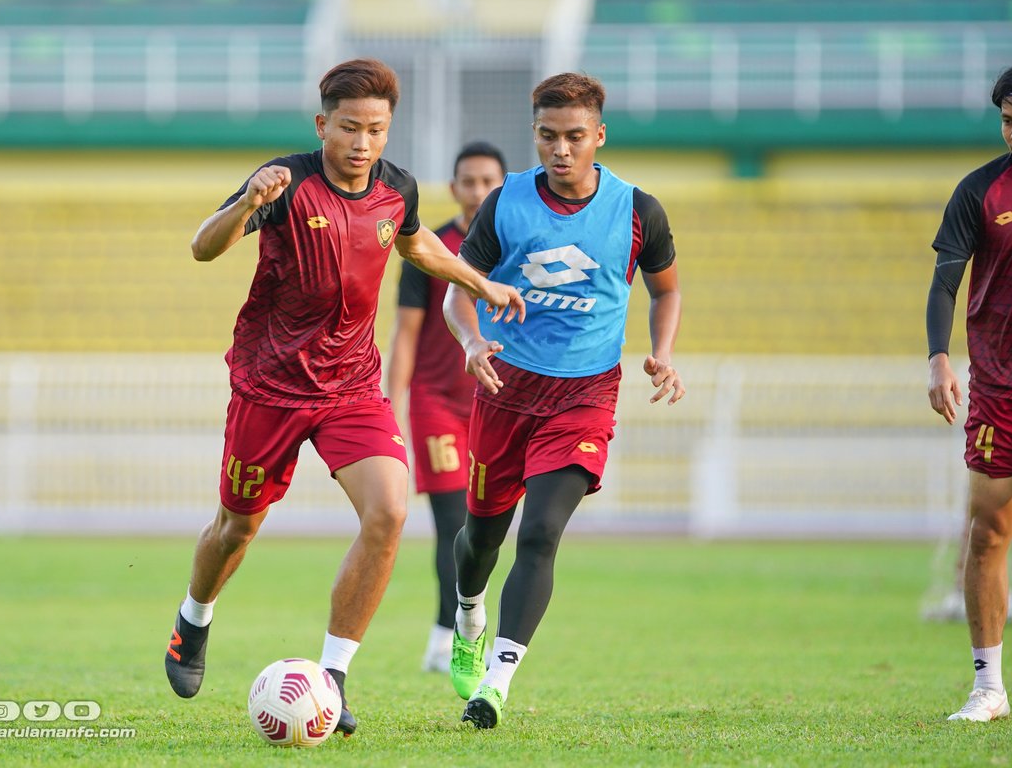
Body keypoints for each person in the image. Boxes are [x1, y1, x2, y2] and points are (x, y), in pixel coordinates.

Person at [163, 57, 525, 737]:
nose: (363, 143)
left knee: (388, 511)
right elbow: (201, 248)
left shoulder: (396, 190)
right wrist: (247, 203)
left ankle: (331, 677)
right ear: (322, 124)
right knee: (236, 527)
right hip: (268, 386)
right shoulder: (285, 181)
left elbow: (418, 248)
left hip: (352, 385)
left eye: (377, 130)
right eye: (351, 128)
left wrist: (481, 284)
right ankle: (193, 618)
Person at [442, 72, 684, 728]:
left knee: (543, 530)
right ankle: (468, 612)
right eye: (548, 136)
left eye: (575, 136)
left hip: (585, 395)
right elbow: (457, 288)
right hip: (505, 388)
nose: (561, 149)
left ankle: (496, 682)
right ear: (536, 135)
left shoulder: (638, 211)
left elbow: (666, 289)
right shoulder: (505, 205)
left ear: (598, 136)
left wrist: (662, 350)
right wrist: (469, 339)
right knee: (481, 537)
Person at [927, 59, 1012, 723]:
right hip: (1001, 390)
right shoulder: (980, 191)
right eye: (1008, 121)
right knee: (988, 532)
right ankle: (988, 686)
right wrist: (939, 357)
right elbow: (944, 282)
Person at [387, 141, 508, 673]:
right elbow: (406, 334)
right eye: (469, 181)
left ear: (503, 186)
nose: (478, 191)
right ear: (454, 188)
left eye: (488, 181)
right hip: (438, 404)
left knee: (488, 527)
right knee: (452, 522)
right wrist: (390, 401)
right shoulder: (429, 250)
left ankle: (471, 625)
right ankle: (445, 635)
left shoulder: (523, 244)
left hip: (501, 403)